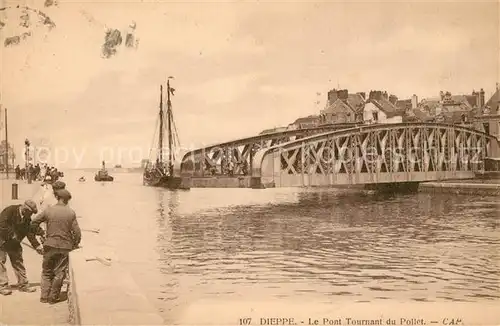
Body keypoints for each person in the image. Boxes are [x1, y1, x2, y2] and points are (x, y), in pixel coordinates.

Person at [31, 189, 81, 304]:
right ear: (66, 199)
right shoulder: (71, 213)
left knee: (46, 271)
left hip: (49, 245)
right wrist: (75, 244)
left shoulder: (49, 210)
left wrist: (41, 234)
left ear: (57, 198)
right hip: (65, 247)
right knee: (59, 272)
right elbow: (77, 233)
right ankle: (53, 298)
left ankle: (44, 297)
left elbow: (33, 222)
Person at [0, 200, 44, 296]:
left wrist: (37, 245)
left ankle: (23, 284)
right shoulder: (10, 210)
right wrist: (12, 234)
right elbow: (2, 224)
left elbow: (29, 233)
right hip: (1, 240)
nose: (30, 215)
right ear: (25, 209)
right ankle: (2, 286)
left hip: (14, 243)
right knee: (1, 263)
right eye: (30, 213)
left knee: (18, 262)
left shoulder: (27, 219)